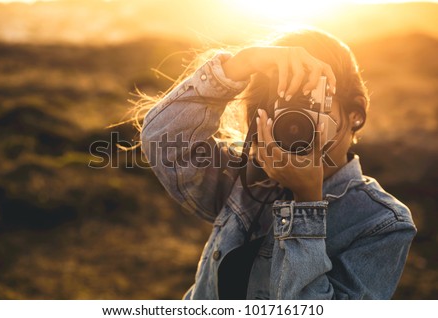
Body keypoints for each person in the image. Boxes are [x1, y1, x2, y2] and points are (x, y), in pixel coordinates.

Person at [136, 27, 416, 299]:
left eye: (312, 106)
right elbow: (162, 140)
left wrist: (306, 203)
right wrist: (242, 64)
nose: (295, 123)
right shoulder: (245, 178)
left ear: (355, 113)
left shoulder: (382, 223)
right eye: (283, 109)